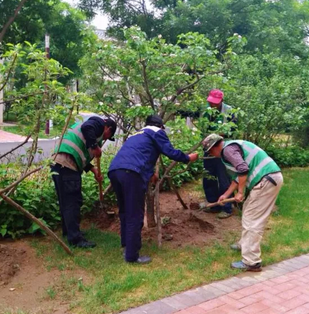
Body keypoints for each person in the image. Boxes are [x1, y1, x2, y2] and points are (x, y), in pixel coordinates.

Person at [108, 115, 199, 264]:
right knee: (134, 215)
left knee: (124, 210)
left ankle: (126, 244)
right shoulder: (157, 132)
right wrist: (188, 158)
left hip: (115, 170)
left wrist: (150, 173)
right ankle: (132, 256)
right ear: (161, 126)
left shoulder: (137, 134)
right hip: (132, 173)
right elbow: (170, 152)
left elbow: (139, 154)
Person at [202, 134, 283, 272]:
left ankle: (252, 261)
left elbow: (243, 169)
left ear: (216, 146)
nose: (211, 154)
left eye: (210, 151)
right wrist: (226, 195)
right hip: (270, 178)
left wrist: (240, 193)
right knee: (248, 211)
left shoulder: (227, 150)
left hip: (266, 180)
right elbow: (237, 178)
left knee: (252, 219)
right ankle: (245, 244)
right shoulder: (231, 148)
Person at [52, 116, 117, 248]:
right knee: (73, 202)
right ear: (108, 129)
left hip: (59, 164)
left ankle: (69, 232)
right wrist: (95, 147)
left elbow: (80, 154)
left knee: (66, 202)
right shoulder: (97, 124)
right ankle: (76, 239)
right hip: (67, 165)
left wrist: (94, 171)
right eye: (107, 137)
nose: (104, 140)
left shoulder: (88, 133)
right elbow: (87, 128)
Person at [203, 89, 237, 219]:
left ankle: (226, 207)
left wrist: (216, 135)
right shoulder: (206, 110)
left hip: (222, 149)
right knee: (208, 177)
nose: (212, 105)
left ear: (221, 100)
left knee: (223, 178)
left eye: (215, 103)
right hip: (208, 148)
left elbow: (232, 130)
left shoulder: (230, 111)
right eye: (211, 102)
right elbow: (202, 127)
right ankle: (213, 204)